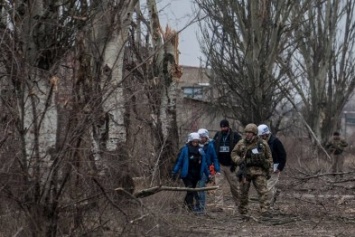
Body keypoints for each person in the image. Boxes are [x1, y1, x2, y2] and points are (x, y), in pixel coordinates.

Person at [231, 123, 273, 217]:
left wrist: (269, 171)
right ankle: (243, 211)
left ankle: (265, 211)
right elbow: (233, 153)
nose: (247, 134)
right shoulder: (241, 143)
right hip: (245, 171)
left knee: (263, 192)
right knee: (243, 192)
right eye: (246, 132)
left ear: (254, 134)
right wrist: (239, 160)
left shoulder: (263, 144)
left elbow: (269, 158)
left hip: (259, 171)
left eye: (249, 133)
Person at [171, 132, 210, 213]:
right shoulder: (185, 149)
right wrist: (174, 172)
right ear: (190, 141)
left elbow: (204, 164)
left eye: (197, 142)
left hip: (196, 174)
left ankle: (184, 206)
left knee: (190, 191)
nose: (195, 143)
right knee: (190, 190)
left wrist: (208, 174)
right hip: (187, 174)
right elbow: (179, 161)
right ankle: (190, 209)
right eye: (194, 142)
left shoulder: (201, 150)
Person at [212, 119, 242, 211]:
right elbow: (213, 147)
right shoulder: (218, 135)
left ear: (228, 126)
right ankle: (219, 206)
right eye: (221, 127)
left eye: (224, 127)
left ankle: (240, 204)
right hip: (220, 164)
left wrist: (236, 163)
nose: (223, 128)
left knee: (234, 186)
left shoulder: (236, 136)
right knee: (218, 186)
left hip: (231, 165)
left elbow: (241, 150)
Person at [258, 124, 287, 208]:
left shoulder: (275, 141)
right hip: (265, 168)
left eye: (262, 135)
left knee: (267, 187)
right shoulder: (260, 143)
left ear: (266, 134)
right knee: (265, 186)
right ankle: (275, 194)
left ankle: (266, 206)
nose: (261, 137)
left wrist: (279, 168)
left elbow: (283, 155)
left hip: (275, 167)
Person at [196, 128, 220, 213]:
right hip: (195, 169)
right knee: (195, 188)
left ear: (206, 137)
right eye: (200, 137)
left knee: (201, 188)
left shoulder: (210, 146)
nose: (201, 139)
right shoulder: (195, 145)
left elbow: (214, 158)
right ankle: (196, 206)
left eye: (203, 137)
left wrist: (217, 169)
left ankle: (201, 208)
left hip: (205, 170)